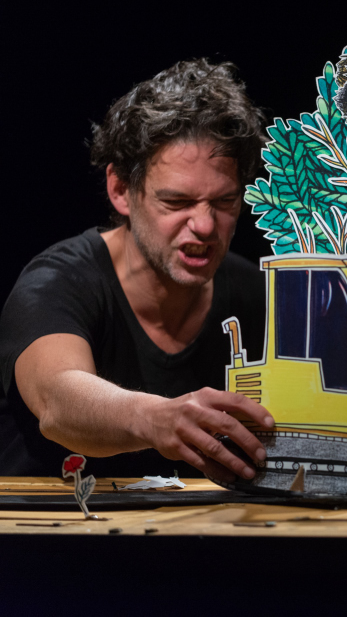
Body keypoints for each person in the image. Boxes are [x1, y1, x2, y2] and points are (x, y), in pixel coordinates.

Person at [0, 59, 274, 481]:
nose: (205, 225)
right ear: (120, 189)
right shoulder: (56, 283)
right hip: (50, 522)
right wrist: (156, 418)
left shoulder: (256, 293)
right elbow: (57, 398)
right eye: (177, 202)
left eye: (225, 201)